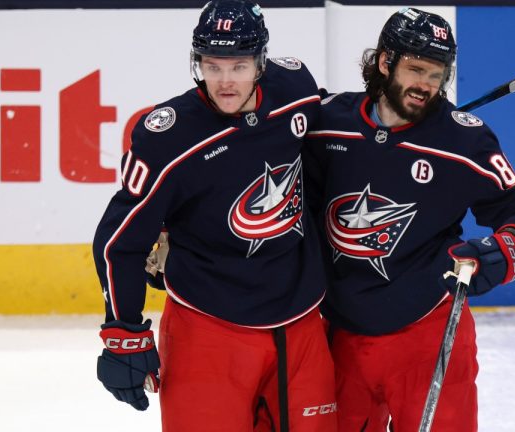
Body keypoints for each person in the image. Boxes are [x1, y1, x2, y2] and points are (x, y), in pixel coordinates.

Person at [303, 8, 515, 432]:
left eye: (437, 74)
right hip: (340, 338)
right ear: (385, 62)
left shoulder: (464, 141)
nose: (426, 85)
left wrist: (499, 252)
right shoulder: (327, 123)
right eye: (415, 69)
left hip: (430, 337)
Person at [91, 1, 337, 431]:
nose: (225, 81)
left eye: (239, 66)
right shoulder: (167, 137)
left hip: (299, 325)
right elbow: (119, 242)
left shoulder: (295, 89)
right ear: (197, 62)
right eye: (213, 65)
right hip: (208, 329)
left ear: (261, 62)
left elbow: (337, 135)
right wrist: (123, 331)